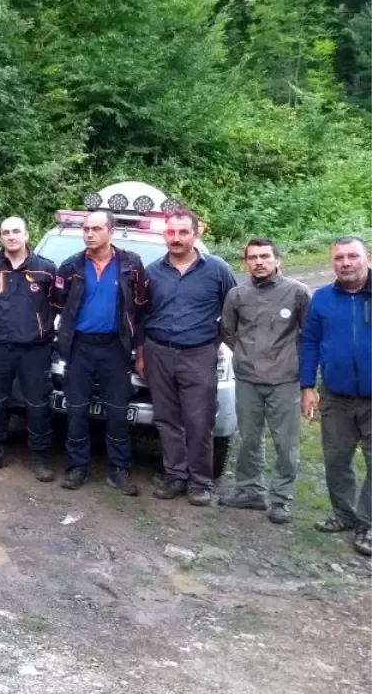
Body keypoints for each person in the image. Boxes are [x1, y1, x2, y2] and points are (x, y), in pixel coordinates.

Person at [137, 209, 237, 506]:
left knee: (199, 420)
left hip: (198, 353)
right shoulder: (152, 271)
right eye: (171, 232)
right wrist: (141, 354)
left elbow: (233, 309)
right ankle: (175, 476)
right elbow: (141, 317)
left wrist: (216, 342)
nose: (176, 238)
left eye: (183, 232)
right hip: (158, 352)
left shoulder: (217, 270)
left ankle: (200, 483)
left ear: (196, 234)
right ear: (164, 234)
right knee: (167, 419)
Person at [52, 210, 147, 494]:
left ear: (110, 232)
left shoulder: (131, 265)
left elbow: (141, 310)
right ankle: (77, 467)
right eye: (85, 229)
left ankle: (119, 470)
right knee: (76, 411)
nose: (89, 234)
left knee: (118, 413)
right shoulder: (70, 267)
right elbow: (58, 305)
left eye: (95, 229)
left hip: (115, 349)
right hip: (79, 347)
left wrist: (139, 352)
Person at [219, 238, 309, 524]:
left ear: (277, 260)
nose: (259, 262)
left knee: (286, 443)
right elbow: (229, 333)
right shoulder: (236, 294)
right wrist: (247, 356)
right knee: (249, 439)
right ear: (245, 262)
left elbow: (309, 335)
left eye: (265, 256)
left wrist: (298, 370)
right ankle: (249, 491)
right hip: (247, 378)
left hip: (285, 380)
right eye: (253, 257)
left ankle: (281, 499)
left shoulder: (297, 292)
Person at [300, 236, 372, 558]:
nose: (346, 263)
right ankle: (344, 514)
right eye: (339, 257)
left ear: (366, 258)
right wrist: (306, 386)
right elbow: (310, 343)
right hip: (336, 397)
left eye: (352, 256)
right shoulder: (322, 299)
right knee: (336, 460)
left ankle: (368, 524)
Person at [0, 216, 58, 481]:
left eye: (16, 231)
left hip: (34, 348)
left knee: (38, 403)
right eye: (6, 232)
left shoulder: (46, 269)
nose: (11, 236)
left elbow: (56, 304)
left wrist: (39, 328)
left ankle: (39, 456)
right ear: (0, 237)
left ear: (27, 234)